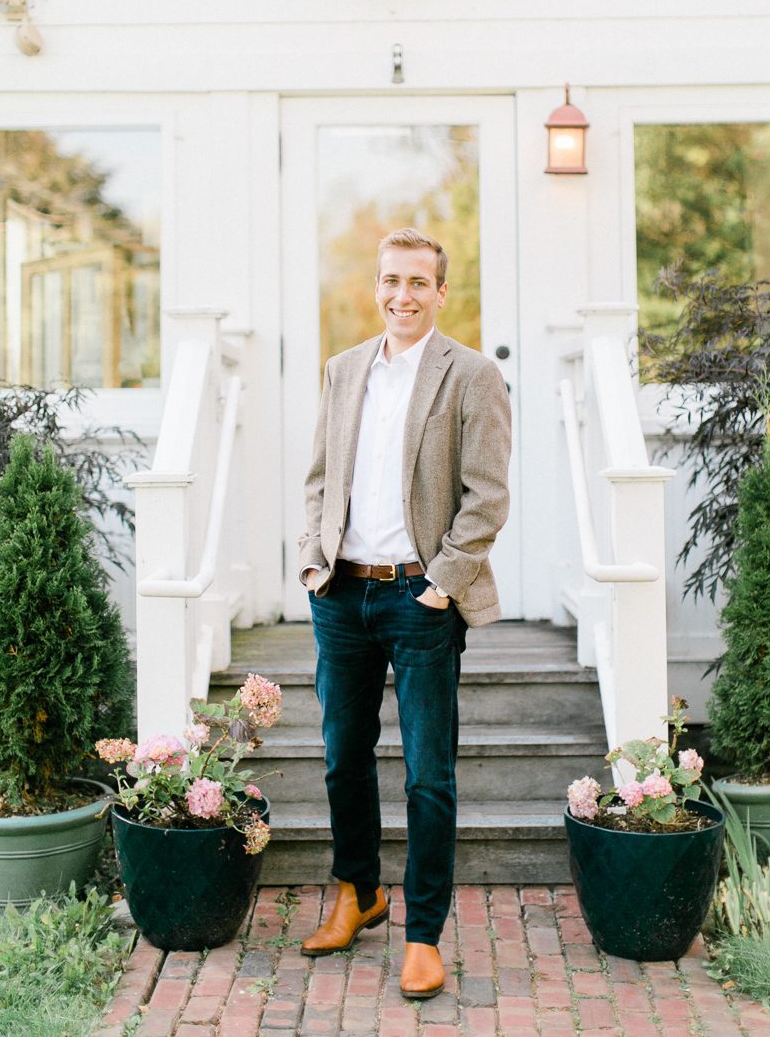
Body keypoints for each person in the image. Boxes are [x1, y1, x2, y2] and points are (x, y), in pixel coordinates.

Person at [298, 227, 512, 1001]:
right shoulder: (343, 369)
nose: (402, 296)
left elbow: (487, 496)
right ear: (377, 286)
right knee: (341, 756)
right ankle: (359, 893)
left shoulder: (473, 375)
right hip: (342, 594)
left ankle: (423, 935)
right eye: (391, 281)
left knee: (429, 776)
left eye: (418, 282)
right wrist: (312, 560)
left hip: (421, 596)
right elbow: (320, 478)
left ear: (441, 291)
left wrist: (443, 583)